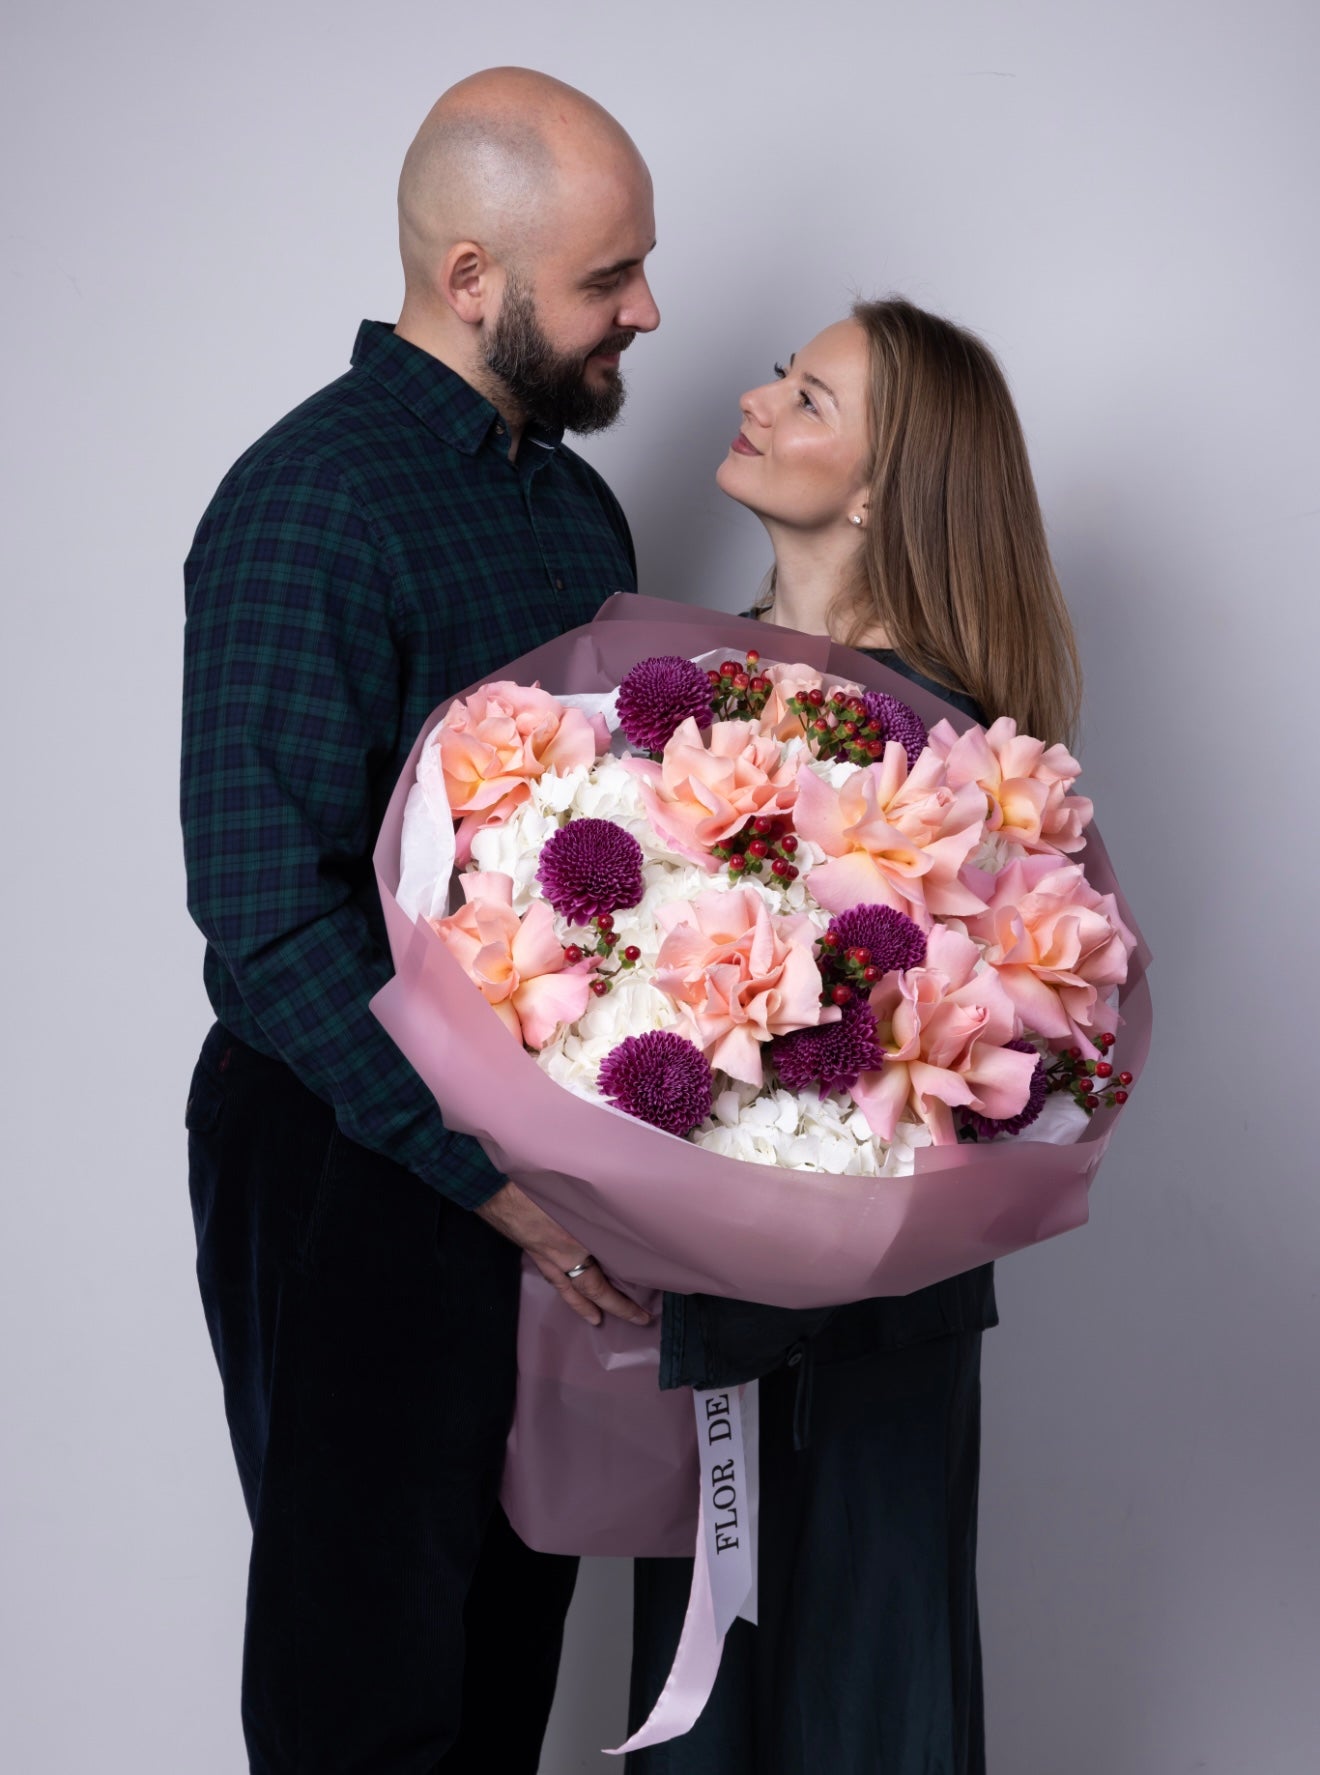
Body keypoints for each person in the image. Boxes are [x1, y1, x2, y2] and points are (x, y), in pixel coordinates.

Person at [180, 67, 659, 1775]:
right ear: (475, 281)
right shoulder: (310, 500)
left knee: (504, 1654)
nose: (647, 311)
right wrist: (485, 1178)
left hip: (527, 1168)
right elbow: (265, 921)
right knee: (363, 1687)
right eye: (610, 280)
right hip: (347, 1159)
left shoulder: (571, 502)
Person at [627, 299, 1083, 1775]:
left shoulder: (955, 746)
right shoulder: (681, 691)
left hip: (885, 1332)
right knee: (703, 1720)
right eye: (779, 378)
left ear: (886, 488)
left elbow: (998, 1055)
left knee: (871, 1723)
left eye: (809, 399)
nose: (760, 401)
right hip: (703, 1324)